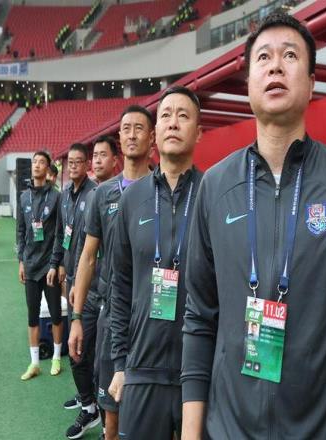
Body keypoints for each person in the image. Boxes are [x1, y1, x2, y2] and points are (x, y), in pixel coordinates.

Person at [181, 12, 326, 440]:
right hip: (229, 430)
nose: (276, 65)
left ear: (311, 83)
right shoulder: (215, 186)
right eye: (263, 57)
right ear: (248, 84)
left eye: (290, 55)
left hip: (324, 430)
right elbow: (199, 318)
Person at [109, 86, 203, 440]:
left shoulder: (214, 194)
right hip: (142, 369)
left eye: (183, 115)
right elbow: (120, 286)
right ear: (155, 133)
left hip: (199, 372)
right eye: (166, 115)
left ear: (198, 131)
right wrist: (120, 363)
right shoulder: (132, 199)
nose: (173, 123)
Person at [68, 108, 154, 440]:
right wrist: (77, 317)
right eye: (126, 128)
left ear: (151, 137)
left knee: (158, 412)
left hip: (153, 316)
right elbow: (88, 257)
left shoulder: (163, 188)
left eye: (139, 128)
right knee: (111, 412)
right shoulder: (102, 195)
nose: (132, 134)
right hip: (111, 314)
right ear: (120, 137)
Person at [61, 136, 119, 440]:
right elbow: (81, 248)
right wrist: (73, 280)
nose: (96, 160)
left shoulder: (124, 195)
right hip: (86, 289)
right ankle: (89, 405)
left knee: (101, 362)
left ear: (115, 161)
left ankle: (104, 416)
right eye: (93, 155)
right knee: (79, 352)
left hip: (110, 294)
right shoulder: (85, 196)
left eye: (101, 155)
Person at [49, 143, 98, 438]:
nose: (74, 166)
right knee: (77, 342)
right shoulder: (65, 195)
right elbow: (60, 234)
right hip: (70, 278)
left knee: (81, 347)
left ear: (87, 164)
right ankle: (85, 396)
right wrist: (56, 263)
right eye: (70, 162)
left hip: (89, 282)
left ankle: (91, 405)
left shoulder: (95, 195)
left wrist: (79, 279)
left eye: (79, 161)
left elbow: (90, 249)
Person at [17, 151, 64, 381]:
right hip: (30, 266)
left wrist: (57, 263)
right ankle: (35, 363)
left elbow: (60, 233)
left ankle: (56, 357)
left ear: (48, 169)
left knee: (55, 314)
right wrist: (21, 261)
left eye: (41, 162)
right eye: (34, 162)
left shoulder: (56, 197)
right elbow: (21, 231)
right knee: (32, 316)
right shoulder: (23, 197)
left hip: (49, 267)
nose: (36, 165)